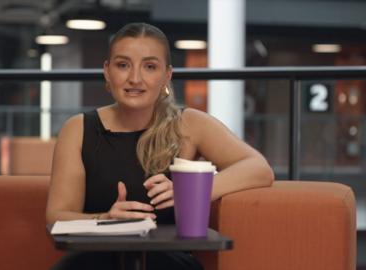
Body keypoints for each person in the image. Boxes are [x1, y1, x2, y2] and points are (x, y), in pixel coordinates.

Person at [46, 22, 274, 270]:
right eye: (123, 65)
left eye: (150, 66)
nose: (135, 78)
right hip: (92, 262)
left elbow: (258, 167)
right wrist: (106, 220)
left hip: (165, 262)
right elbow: (57, 216)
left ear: (167, 75)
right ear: (107, 72)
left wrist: (187, 192)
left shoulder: (189, 123)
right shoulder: (77, 128)